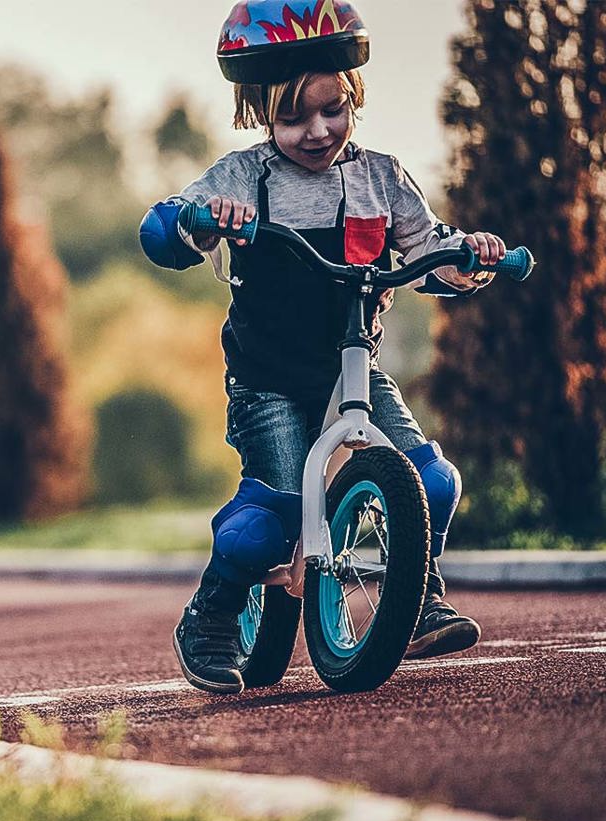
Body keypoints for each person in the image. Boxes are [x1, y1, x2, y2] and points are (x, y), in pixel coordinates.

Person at [139, 0, 508, 694]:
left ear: (354, 96)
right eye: (295, 117)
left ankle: (417, 594)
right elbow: (162, 234)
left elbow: (434, 258)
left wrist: (474, 255)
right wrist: (201, 221)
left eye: (333, 110)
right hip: (269, 379)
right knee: (266, 525)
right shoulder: (243, 178)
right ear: (259, 112)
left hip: (352, 371)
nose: (318, 131)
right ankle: (212, 616)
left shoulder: (380, 177)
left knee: (431, 481)